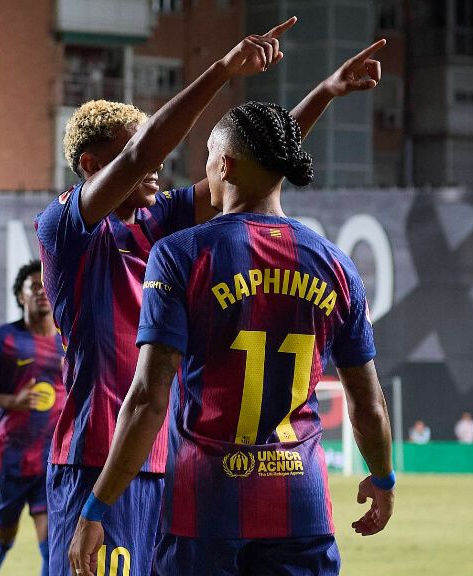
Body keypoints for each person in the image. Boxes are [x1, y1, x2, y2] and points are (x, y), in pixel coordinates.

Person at [37, 22, 389, 574]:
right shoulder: (64, 228)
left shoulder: (159, 225)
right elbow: (145, 156)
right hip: (95, 455)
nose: (157, 161)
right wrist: (222, 71)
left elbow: (253, 167)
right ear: (90, 166)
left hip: (164, 459)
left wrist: (324, 93)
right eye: (137, 146)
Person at [0, 259, 65, 576]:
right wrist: (11, 401)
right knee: (3, 537)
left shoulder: (68, 340)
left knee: (53, 546)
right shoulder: (3, 339)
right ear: (21, 296)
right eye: (34, 287)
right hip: (8, 460)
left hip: (50, 461)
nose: (42, 292)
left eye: (46, 285)